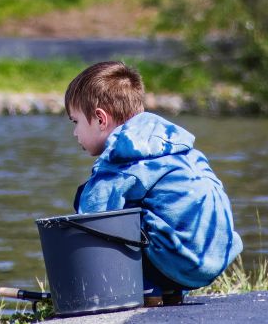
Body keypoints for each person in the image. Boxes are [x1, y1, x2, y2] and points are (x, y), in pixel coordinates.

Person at [65, 61, 243, 306]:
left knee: (88, 198)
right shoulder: (174, 145)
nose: (75, 133)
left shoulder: (123, 157)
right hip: (216, 256)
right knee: (150, 205)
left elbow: (91, 214)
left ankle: (146, 287)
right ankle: (169, 289)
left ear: (99, 119)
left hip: (179, 259)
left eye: (75, 122)